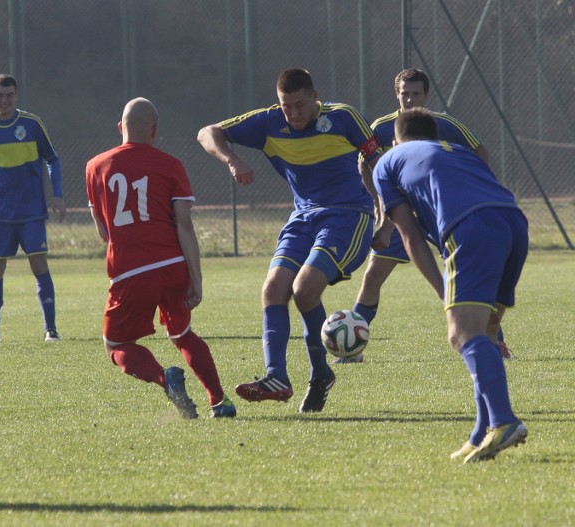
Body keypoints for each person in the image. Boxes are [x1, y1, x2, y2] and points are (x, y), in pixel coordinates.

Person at [197, 68, 381, 413]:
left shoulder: (343, 118)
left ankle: (317, 374)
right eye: (286, 107)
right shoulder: (268, 123)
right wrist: (232, 159)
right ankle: (277, 376)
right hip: (303, 218)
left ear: (315, 97)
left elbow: (380, 163)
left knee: (305, 288)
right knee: (272, 290)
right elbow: (208, 133)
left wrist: (387, 219)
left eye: (299, 105)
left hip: (348, 216)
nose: (293, 114)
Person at [372, 107, 528, 463]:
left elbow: (410, 236)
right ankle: (481, 433)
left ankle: (504, 421)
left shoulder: (388, 160)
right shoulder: (455, 150)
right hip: (514, 221)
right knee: (486, 333)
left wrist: (444, 292)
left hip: (470, 226)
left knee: (462, 334)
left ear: (396, 139)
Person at [343, 67, 511, 364]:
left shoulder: (443, 124)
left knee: (465, 275)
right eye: (404, 94)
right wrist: (382, 212)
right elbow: (364, 167)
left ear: (426, 95)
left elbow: (480, 152)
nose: (409, 99)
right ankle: (351, 346)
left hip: (439, 211)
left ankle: (495, 341)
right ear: (396, 95)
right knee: (372, 277)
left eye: (415, 94)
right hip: (399, 213)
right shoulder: (381, 128)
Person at [85, 97, 236, 419]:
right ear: (154, 131)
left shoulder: (95, 167)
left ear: (120, 128)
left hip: (129, 269)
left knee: (116, 345)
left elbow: (103, 230)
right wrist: (196, 278)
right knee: (182, 333)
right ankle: (219, 401)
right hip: (171, 265)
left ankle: (163, 377)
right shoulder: (170, 165)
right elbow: (184, 224)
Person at [0, 74, 65, 344]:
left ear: (17, 96)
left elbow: (52, 160)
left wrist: (57, 195)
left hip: (31, 209)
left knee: (38, 263)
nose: (5, 100)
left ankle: (51, 329)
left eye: (9, 95)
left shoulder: (32, 125)